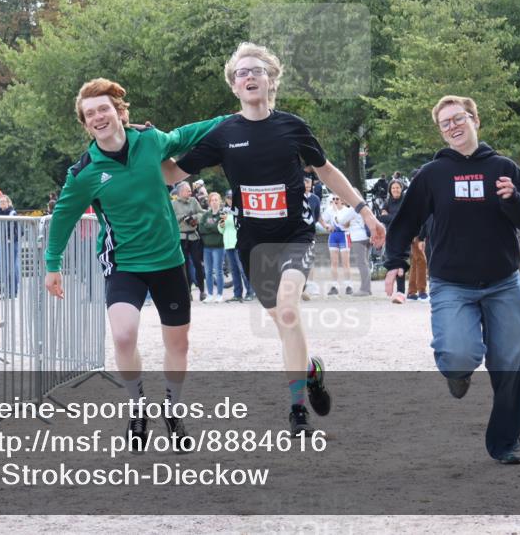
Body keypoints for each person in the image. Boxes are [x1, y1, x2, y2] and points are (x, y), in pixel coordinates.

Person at [162, 41, 386, 436]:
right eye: (242, 73)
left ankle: (297, 412)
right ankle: (311, 371)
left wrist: (364, 211)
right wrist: (137, 147)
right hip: (254, 243)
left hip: (294, 234)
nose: (249, 77)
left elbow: (328, 171)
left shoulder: (292, 127)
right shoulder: (223, 133)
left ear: (271, 80)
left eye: (257, 71)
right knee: (285, 323)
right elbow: (170, 174)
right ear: (234, 86)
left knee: (287, 309)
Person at [44, 78, 227, 451]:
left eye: (103, 109)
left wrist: (235, 118)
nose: (98, 117)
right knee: (124, 334)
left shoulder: (149, 141)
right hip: (123, 261)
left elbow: (188, 134)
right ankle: (137, 404)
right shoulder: (84, 173)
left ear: (118, 113)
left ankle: (173, 410)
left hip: (168, 259)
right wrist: (52, 263)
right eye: (90, 113)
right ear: (85, 123)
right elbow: (63, 216)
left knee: (178, 343)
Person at [382, 94, 520, 465]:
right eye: (446, 123)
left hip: (503, 283)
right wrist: (396, 261)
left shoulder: (503, 167)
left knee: (513, 366)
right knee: (458, 355)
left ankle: (506, 443)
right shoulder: (432, 175)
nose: (453, 126)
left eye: (459, 118)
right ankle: (457, 374)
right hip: (452, 285)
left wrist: (512, 200)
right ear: (441, 132)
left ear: (475, 119)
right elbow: (405, 220)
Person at [172, 182, 207, 302]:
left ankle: (202, 291)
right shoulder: (173, 204)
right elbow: (170, 219)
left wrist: (194, 218)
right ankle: (188, 292)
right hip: (181, 238)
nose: (190, 192)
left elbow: (202, 213)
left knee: (198, 264)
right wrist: (183, 217)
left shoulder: (193, 201)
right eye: (187, 190)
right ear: (180, 192)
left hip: (194, 237)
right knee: (184, 266)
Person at [220, 191, 254, 302]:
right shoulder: (224, 211)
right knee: (234, 271)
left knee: (243, 269)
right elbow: (221, 230)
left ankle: (250, 292)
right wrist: (221, 224)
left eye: (231, 198)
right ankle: (237, 293)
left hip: (238, 243)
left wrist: (229, 219)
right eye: (228, 198)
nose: (230, 200)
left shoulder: (239, 210)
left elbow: (239, 225)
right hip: (228, 244)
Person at [320, 195, 352, 297]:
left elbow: (346, 224)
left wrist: (336, 212)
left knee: (345, 262)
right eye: (333, 199)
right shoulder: (329, 210)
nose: (335, 201)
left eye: (337, 199)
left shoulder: (347, 210)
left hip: (344, 235)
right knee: (334, 262)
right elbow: (322, 220)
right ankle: (334, 286)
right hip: (333, 235)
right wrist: (327, 227)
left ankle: (348, 285)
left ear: (342, 200)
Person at [381, 180, 407, 303]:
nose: (395, 190)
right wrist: (396, 218)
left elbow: (406, 218)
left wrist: (390, 218)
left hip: (404, 235)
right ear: (390, 190)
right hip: (391, 236)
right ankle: (398, 292)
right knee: (395, 262)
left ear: (401, 189)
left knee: (399, 262)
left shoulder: (406, 201)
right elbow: (381, 217)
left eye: (397, 188)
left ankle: (401, 293)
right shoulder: (387, 202)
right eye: (393, 188)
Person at [199, 192, 227, 303]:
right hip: (207, 248)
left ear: (219, 201)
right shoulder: (206, 215)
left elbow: (220, 229)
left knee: (219, 271)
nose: (214, 202)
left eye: (216, 200)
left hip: (219, 247)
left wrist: (209, 227)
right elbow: (201, 228)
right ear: (209, 202)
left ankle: (220, 294)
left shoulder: (223, 214)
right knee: (208, 271)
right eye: (212, 200)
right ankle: (210, 294)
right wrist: (213, 227)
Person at [0, 194, 21, 299]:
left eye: (4, 202)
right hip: (0, 242)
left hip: (11, 243)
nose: (2, 204)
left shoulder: (12, 213)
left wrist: (11, 238)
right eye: (0, 202)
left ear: (8, 202)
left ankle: (13, 291)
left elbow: (18, 229)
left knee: (11, 267)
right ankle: (7, 291)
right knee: (3, 267)